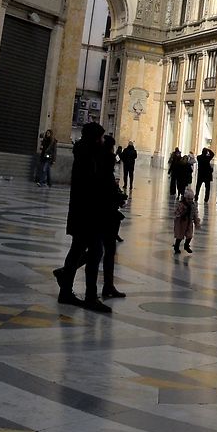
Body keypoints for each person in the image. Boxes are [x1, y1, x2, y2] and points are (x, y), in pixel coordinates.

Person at [55, 121, 122, 312]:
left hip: (81, 213)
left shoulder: (85, 154)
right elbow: (95, 185)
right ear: (95, 138)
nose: (103, 141)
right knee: (95, 253)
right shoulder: (90, 158)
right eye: (100, 137)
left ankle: (65, 292)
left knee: (76, 251)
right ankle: (90, 297)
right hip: (89, 214)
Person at [171, 169, 198, 255]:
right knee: (180, 236)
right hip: (181, 222)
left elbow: (195, 213)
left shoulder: (193, 205)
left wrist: (197, 222)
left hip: (189, 222)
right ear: (185, 198)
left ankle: (186, 245)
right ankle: (176, 246)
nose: (190, 200)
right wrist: (179, 215)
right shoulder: (181, 204)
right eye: (188, 199)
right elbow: (177, 213)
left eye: (191, 199)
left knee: (189, 235)